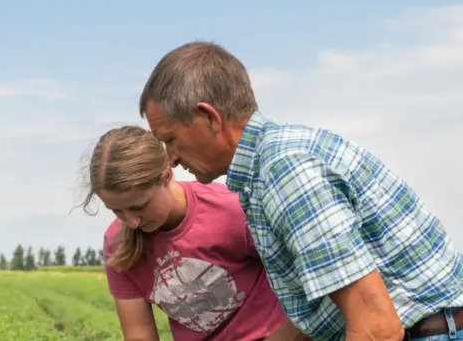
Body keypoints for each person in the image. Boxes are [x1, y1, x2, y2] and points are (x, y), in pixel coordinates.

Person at [137, 40, 463, 341]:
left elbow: (376, 327)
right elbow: (325, 310)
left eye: (170, 139)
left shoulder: (285, 172)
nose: (172, 159)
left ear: (209, 118)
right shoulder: (272, 164)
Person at [80, 125, 310, 341]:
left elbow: (308, 292)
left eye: (139, 207)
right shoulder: (117, 243)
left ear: (166, 176)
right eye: (116, 210)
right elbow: (139, 334)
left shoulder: (232, 210)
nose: (130, 222)